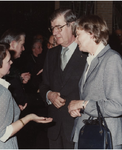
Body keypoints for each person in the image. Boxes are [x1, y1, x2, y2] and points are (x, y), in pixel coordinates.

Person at [0, 42, 53, 149]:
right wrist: (29, 118)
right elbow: (3, 135)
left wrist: (13, 109)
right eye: (8, 61)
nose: (11, 62)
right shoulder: (2, 92)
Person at [68, 15, 122, 149]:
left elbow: (117, 106)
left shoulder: (112, 59)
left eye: (78, 35)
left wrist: (83, 104)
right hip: (87, 135)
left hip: (105, 138)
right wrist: (78, 109)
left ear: (92, 34)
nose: (76, 40)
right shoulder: (90, 59)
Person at [39, 8, 87, 149]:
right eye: (52, 28)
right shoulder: (51, 54)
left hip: (77, 129)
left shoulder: (86, 54)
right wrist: (49, 95)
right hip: (54, 131)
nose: (54, 33)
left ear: (72, 25)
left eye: (58, 27)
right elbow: (43, 85)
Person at [0, 28, 31, 110]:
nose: (23, 48)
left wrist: (20, 78)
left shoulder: (10, 66)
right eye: (22, 45)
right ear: (13, 44)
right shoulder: (1, 66)